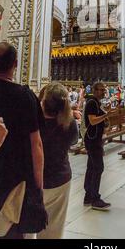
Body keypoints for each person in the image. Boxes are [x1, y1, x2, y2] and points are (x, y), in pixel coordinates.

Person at [0, 42, 44, 239]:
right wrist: (39, 188)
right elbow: (37, 145)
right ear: (16, 64)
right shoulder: (25, 96)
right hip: (18, 182)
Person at [38, 83, 79, 239]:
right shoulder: (70, 124)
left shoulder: (33, 122)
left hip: (34, 180)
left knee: (26, 228)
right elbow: (73, 141)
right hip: (60, 178)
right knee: (53, 228)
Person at [83, 82, 112, 210]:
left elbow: (98, 121)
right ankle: (95, 198)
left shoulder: (96, 103)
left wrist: (105, 124)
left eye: (104, 90)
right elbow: (92, 120)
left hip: (95, 138)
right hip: (92, 140)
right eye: (100, 90)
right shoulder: (91, 103)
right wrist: (106, 115)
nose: (103, 92)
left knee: (91, 167)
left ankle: (88, 196)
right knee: (98, 167)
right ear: (94, 90)